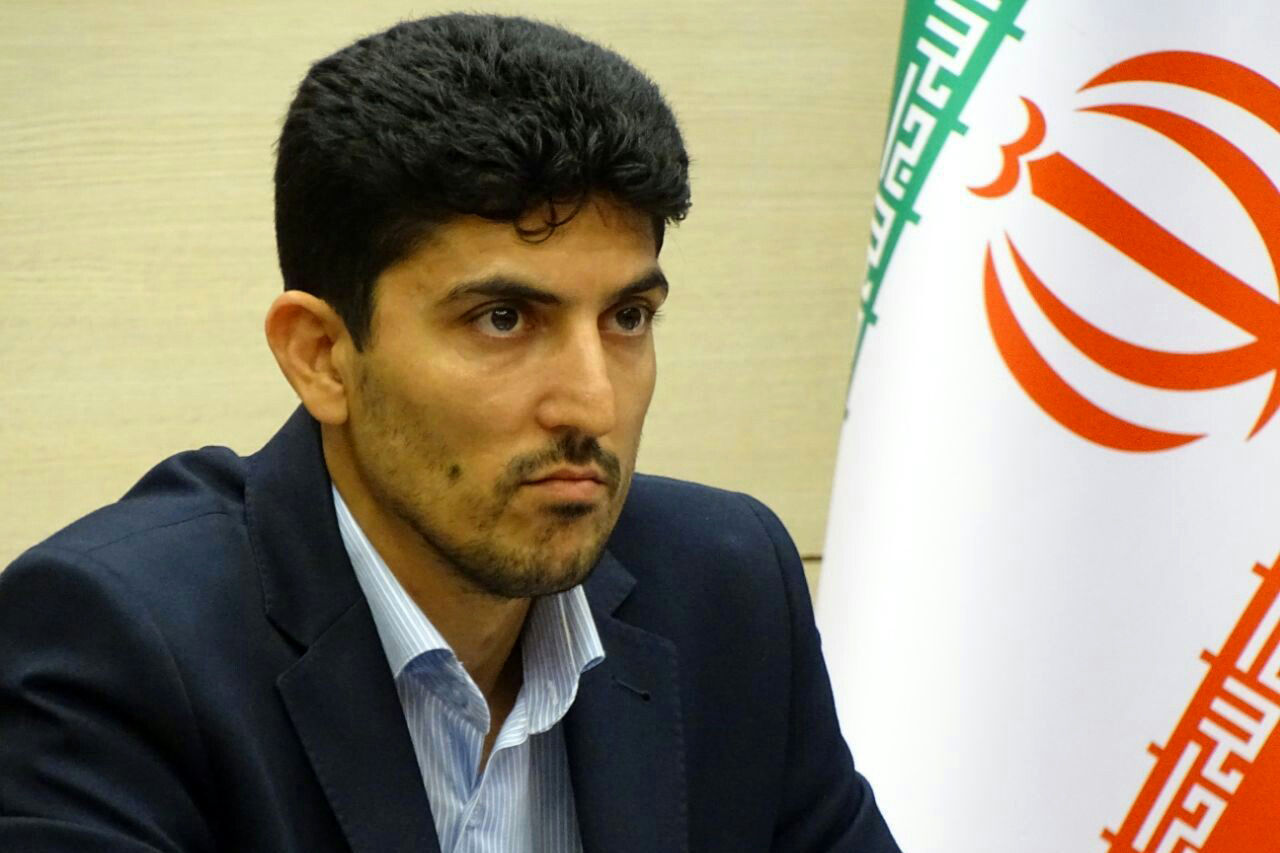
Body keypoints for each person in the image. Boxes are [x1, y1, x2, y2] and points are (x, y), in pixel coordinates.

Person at [0, 13, 898, 853]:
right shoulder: (112, 646)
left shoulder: (726, 588)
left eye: (627, 317)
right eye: (504, 319)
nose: (592, 405)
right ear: (321, 356)